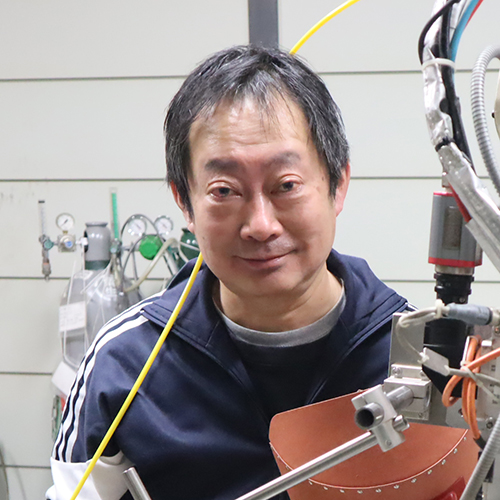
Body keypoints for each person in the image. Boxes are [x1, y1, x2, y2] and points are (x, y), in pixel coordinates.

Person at [47, 45, 409, 500]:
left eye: (286, 185)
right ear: (184, 201)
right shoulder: (124, 363)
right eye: (225, 190)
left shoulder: (415, 358)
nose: (261, 225)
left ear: (338, 185)